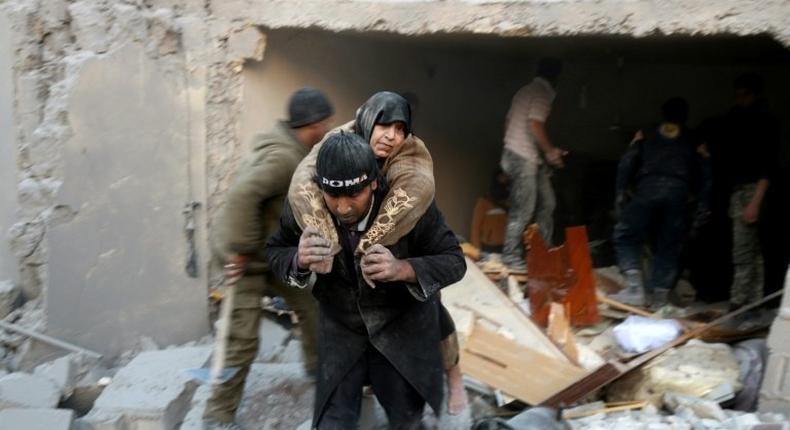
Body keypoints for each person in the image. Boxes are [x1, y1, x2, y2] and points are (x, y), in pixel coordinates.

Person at [266, 132, 467, 429]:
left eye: (354, 195)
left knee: (406, 418)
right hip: (341, 332)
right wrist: (299, 258)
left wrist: (402, 269)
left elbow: (454, 261)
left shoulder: (409, 206)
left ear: (374, 182)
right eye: (333, 195)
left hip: (397, 331)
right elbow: (275, 251)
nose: (343, 207)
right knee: (333, 422)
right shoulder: (307, 208)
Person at [203, 88, 333, 429]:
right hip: (244, 257)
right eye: (324, 123)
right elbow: (242, 196)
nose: (327, 128)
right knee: (242, 338)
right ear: (313, 125)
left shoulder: (296, 151)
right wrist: (240, 249)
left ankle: (317, 366)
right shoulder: (283, 159)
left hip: (268, 253)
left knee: (311, 300)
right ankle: (217, 414)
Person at [611, 97, 711, 307]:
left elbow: (627, 161)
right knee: (670, 244)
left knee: (626, 235)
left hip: (648, 189)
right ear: (686, 116)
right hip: (678, 194)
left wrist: (620, 193)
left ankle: (635, 289)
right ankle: (660, 299)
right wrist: (702, 205)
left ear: (662, 114)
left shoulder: (645, 132)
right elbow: (705, 172)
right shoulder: (694, 138)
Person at [715, 73, 780, 310]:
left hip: (752, 192)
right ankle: (752, 304)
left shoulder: (763, 122)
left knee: (744, 252)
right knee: (752, 253)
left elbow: (768, 167)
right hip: (745, 190)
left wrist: (755, 202)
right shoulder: (742, 119)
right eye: (738, 95)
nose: (739, 100)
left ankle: (740, 305)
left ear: (755, 95)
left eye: (744, 95)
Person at [500, 57, 566, 272]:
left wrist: (541, 154)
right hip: (522, 157)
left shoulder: (524, 91)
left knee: (547, 203)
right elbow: (534, 123)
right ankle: (511, 256)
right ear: (556, 77)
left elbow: (509, 122)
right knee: (523, 209)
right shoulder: (543, 92)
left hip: (519, 155)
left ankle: (542, 254)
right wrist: (550, 152)